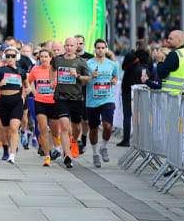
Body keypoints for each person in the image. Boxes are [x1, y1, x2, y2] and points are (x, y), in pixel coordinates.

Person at [51, 37, 90, 169]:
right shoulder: (58, 59)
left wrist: (77, 76)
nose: (69, 48)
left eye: (71, 46)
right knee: (64, 125)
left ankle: (74, 141)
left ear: (76, 47)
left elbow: (87, 80)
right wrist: (52, 81)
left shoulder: (81, 62)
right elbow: (52, 68)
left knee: (76, 127)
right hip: (61, 98)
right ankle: (67, 155)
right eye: (66, 45)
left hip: (76, 98)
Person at [0, 46, 29, 164]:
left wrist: (23, 95)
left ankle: (12, 155)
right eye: (8, 56)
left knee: (14, 128)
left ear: (16, 57)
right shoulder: (0, 70)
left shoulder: (21, 71)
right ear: (4, 57)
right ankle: (7, 147)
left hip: (16, 101)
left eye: (13, 56)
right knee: (6, 130)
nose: (10, 58)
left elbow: (26, 86)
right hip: (3, 101)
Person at [85, 39, 119, 168]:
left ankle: (103, 146)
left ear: (106, 49)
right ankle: (94, 153)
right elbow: (83, 81)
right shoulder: (88, 64)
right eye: (98, 48)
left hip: (107, 99)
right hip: (92, 100)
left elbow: (115, 76)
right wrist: (91, 77)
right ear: (95, 49)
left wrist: (114, 80)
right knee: (93, 129)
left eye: (103, 48)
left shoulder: (113, 64)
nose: (100, 50)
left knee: (107, 126)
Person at [28, 48, 59, 166]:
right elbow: (28, 80)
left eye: (46, 56)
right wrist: (33, 91)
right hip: (40, 102)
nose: (44, 59)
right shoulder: (35, 69)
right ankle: (47, 156)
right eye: (42, 56)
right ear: (39, 58)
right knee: (43, 129)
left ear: (51, 58)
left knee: (55, 131)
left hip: (53, 102)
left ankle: (58, 145)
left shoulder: (54, 70)